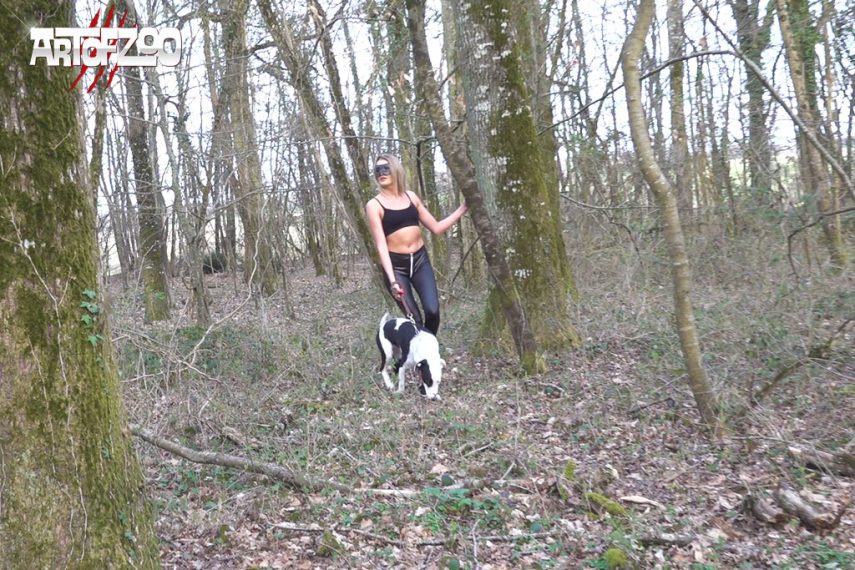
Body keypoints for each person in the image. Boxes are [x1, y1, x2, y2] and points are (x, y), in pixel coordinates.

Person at [366, 154, 468, 335]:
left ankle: (426, 347)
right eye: (377, 170)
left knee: (433, 311)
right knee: (415, 319)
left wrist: (463, 208)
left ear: (395, 170)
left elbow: (436, 228)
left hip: (421, 262)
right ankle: (421, 352)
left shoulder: (411, 197)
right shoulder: (374, 205)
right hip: (396, 267)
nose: (381, 172)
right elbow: (381, 245)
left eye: (386, 168)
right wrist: (392, 280)